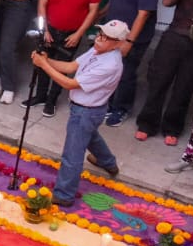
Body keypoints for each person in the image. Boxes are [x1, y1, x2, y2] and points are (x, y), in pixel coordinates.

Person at [33, 18, 131, 206]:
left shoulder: (110, 65)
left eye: (107, 37)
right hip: (88, 110)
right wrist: (46, 60)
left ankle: (64, 195)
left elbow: (69, 83)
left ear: (118, 43)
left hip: (87, 111)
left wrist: (44, 65)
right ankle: (108, 162)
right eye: (101, 34)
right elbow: (71, 67)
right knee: (90, 136)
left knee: (72, 154)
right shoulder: (98, 50)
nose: (100, 39)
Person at [28, 0, 101, 118]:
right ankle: (40, 95)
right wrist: (44, 29)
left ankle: (51, 101)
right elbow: (42, 4)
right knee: (42, 62)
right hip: (50, 30)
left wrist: (79, 34)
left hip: (72, 33)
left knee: (63, 66)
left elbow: (93, 12)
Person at [102, 0, 161, 127]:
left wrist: (129, 41)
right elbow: (116, 0)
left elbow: (143, 14)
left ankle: (121, 109)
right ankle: (108, 104)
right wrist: (100, 16)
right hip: (112, 30)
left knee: (126, 73)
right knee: (108, 69)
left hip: (133, 37)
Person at [134, 0, 193, 144]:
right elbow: (167, 2)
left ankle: (172, 128)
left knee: (184, 88)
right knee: (158, 82)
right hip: (174, 38)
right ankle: (147, 124)